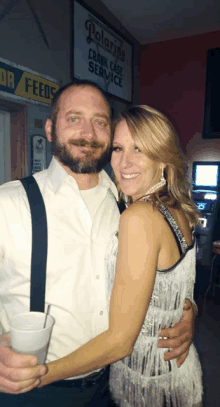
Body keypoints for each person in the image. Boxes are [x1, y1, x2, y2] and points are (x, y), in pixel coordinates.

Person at [0, 81, 196, 406]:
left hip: (113, 382)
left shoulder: (128, 203)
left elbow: (164, 270)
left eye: (100, 121)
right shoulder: (8, 203)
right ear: (50, 129)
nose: (88, 132)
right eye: (74, 118)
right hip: (35, 387)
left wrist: (185, 310)